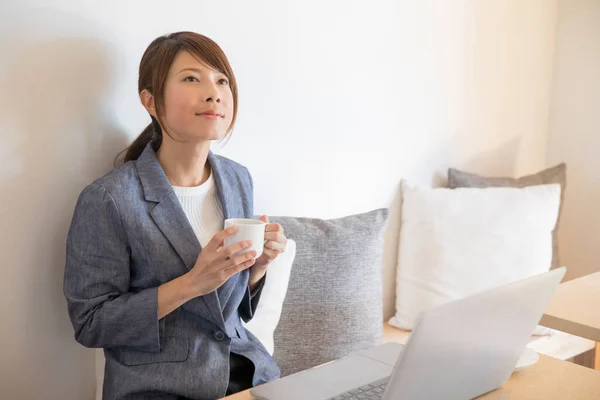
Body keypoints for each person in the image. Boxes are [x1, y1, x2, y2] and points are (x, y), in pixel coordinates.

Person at [63, 31, 287, 400]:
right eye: (191, 78)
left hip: (251, 376)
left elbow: (229, 315)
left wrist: (257, 267)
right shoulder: (109, 199)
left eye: (221, 80)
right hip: (161, 389)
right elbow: (91, 324)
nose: (213, 92)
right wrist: (191, 283)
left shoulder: (237, 178)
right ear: (151, 101)